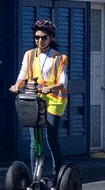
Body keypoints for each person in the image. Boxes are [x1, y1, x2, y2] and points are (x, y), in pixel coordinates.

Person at [13, 19, 71, 181]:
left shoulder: (60, 58)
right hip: (35, 99)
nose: (40, 40)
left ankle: (57, 176)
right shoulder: (29, 55)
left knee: (51, 138)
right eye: (37, 37)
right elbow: (22, 76)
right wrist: (17, 85)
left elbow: (63, 82)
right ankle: (35, 178)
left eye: (44, 37)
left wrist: (51, 88)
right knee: (35, 140)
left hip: (54, 100)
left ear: (51, 38)